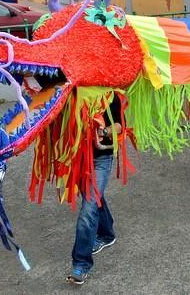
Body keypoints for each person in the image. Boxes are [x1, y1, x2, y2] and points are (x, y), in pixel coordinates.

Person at [67, 93, 123, 285]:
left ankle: (80, 265)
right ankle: (107, 234)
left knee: (88, 208)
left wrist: (103, 132)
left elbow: (119, 125)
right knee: (95, 198)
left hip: (101, 158)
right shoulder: (72, 92)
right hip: (79, 158)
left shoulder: (109, 96)